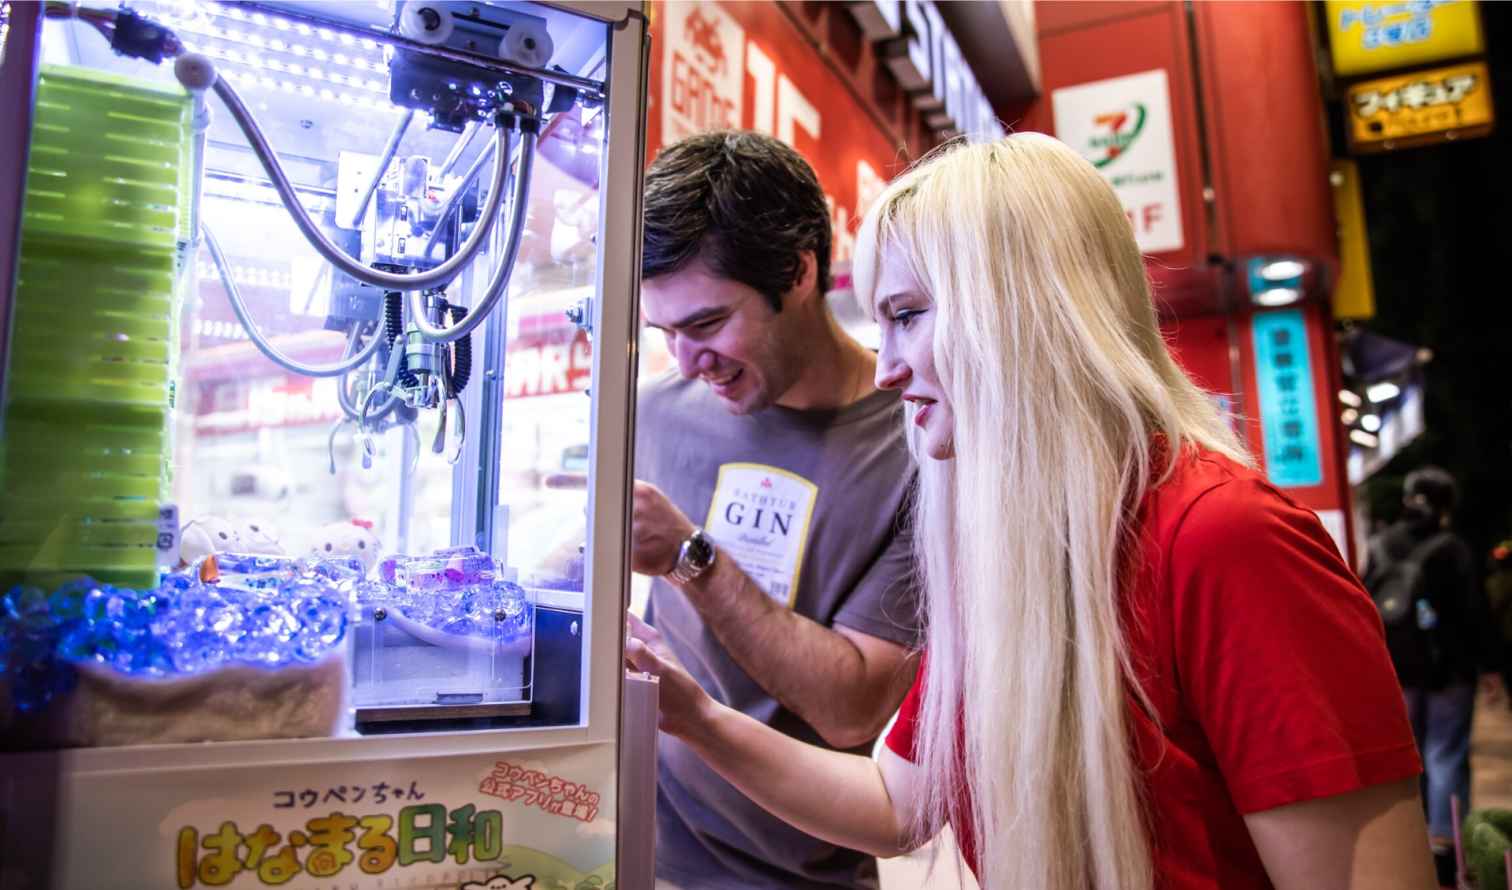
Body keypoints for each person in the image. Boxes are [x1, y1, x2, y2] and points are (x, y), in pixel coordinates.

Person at [625, 133, 1437, 890]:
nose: (888, 372)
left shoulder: (1227, 540)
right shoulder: (1010, 547)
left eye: (908, 317)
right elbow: (897, 803)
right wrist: (691, 712)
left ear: (1022, 310)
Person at [632, 130, 922, 889]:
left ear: (797, 273)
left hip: (802, 871)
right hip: (638, 846)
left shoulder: (918, 445)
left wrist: (688, 557)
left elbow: (849, 706)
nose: (688, 362)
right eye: (664, 334)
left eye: (705, 324)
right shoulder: (657, 412)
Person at [1363, 467, 1504, 879]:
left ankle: (1409, 845)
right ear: (1446, 505)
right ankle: (1446, 849)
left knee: (1408, 759)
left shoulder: (1381, 544)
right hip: (1449, 672)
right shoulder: (1452, 548)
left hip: (1395, 669)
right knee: (1446, 753)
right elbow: (1474, 613)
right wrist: (1493, 666)